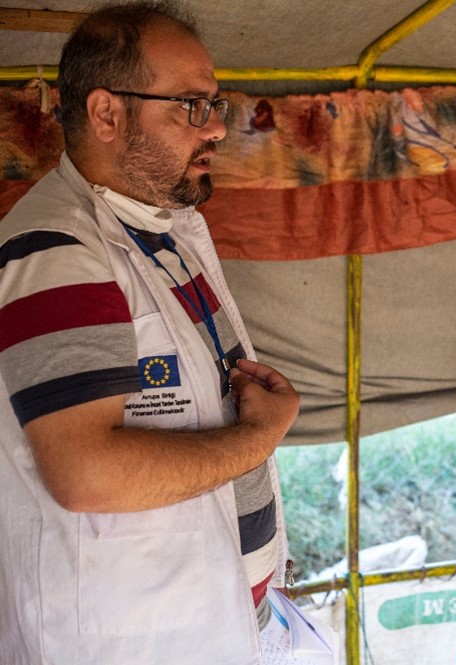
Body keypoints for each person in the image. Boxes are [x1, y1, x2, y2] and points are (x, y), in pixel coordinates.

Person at [0, 3, 302, 663]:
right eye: (192, 106)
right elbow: (84, 472)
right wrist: (257, 437)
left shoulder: (160, 229)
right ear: (107, 114)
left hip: (207, 622)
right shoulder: (56, 246)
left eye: (215, 103)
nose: (218, 127)